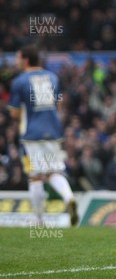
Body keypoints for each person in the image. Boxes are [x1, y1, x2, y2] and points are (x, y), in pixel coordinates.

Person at [8, 45, 79, 226]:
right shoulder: (52, 77)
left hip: (32, 134)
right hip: (53, 131)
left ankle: (38, 219)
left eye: (17, 57)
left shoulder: (20, 81)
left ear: (25, 60)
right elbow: (58, 104)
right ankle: (69, 197)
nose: (16, 61)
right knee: (53, 170)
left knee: (35, 176)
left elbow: (15, 113)